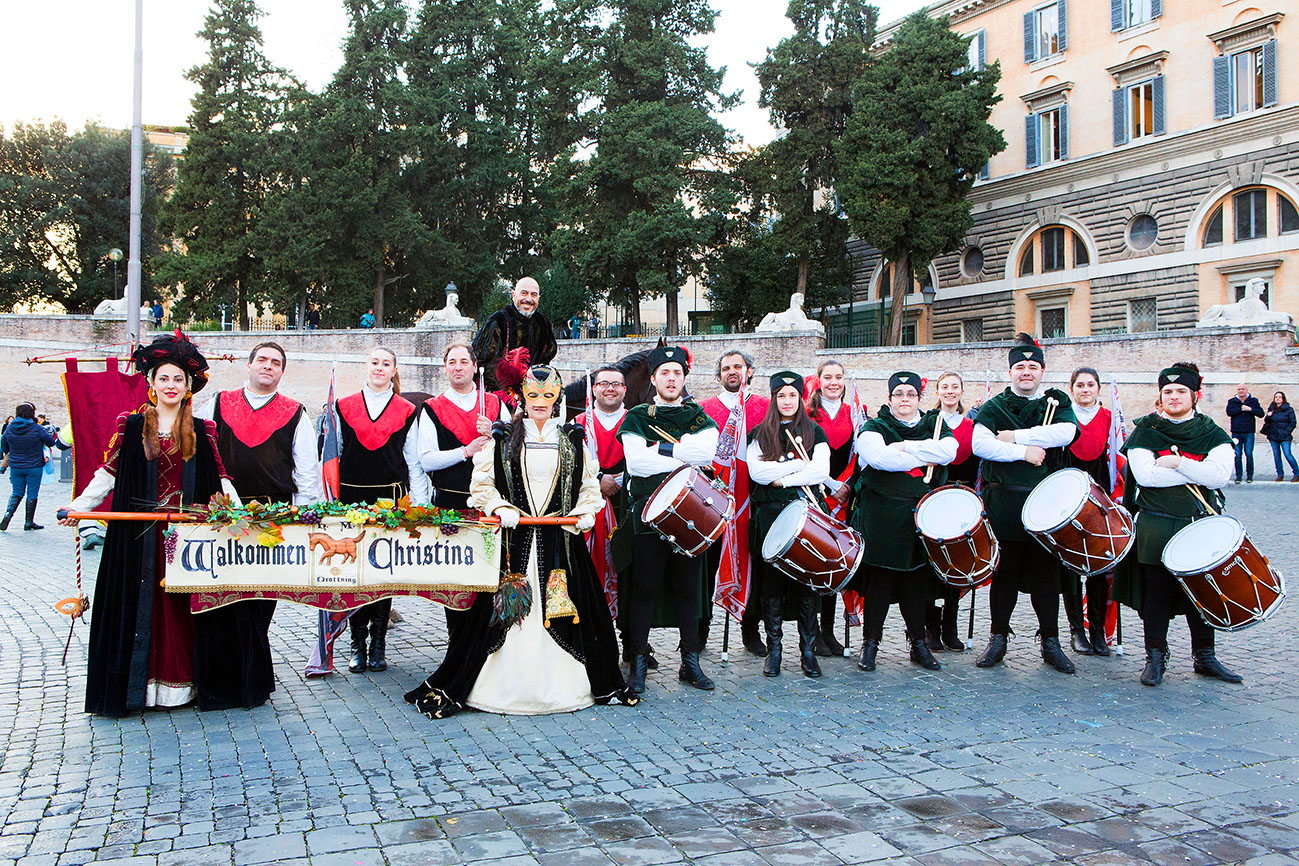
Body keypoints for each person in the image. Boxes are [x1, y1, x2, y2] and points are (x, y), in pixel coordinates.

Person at [403, 366, 637, 718]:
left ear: (557, 397)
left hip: (562, 542)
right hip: (513, 546)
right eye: (533, 395)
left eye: (547, 395)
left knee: (571, 611)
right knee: (499, 618)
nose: (540, 402)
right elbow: (482, 485)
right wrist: (498, 506)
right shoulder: (502, 437)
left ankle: (569, 684)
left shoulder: (572, 439)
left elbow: (589, 487)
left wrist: (587, 511)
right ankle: (494, 686)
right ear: (523, 397)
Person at [59, 333, 240, 716]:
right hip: (138, 538)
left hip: (188, 539)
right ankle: (142, 689)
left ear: (187, 385)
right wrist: (77, 506)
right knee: (142, 607)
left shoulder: (203, 429)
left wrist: (241, 516)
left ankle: (182, 687)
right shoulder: (132, 425)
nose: (171, 385)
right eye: (164, 378)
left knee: (180, 609)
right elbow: (107, 474)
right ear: (151, 383)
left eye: (178, 379)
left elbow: (221, 479)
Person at [194, 342, 324, 710]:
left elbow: (307, 473)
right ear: (249, 365)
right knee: (225, 599)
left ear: (282, 372)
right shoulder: (218, 404)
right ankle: (232, 681)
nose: (268, 367)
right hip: (224, 515)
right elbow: (200, 450)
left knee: (259, 602)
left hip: (274, 518)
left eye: (276, 363)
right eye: (262, 360)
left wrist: (301, 519)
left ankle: (251, 680)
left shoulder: (295, 413)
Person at [1113, 362, 1240, 686]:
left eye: (1180, 391)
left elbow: (1220, 475)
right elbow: (1147, 477)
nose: (1173, 396)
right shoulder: (1146, 432)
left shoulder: (1211, 432)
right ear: (1160, 395)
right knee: (1157, 593)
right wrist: (1195, 467)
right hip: (1156, 524)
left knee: (1202, 590)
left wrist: (1177, 461)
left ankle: (1205, 656)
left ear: (1195, 395)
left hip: (1198, 524)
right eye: (1167, 391)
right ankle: (1155, 657)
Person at [972, 334, 1080, 674]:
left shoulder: (1055, 403)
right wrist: (1024, 453)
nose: (1026, 372)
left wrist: (1017, 436)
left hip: (1044, 504)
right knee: (1003, 576)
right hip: (1004, 502)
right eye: (1020, 366)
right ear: (1010, 372)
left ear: (1043, 371)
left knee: (1046, 577)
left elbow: (1066, 433)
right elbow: (981, 445)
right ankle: (998, 640)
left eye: (1033, 366)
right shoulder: (994, 407)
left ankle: (1051, 642)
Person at [618, 345, 720, 694]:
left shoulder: (698, 416)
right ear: (654, 379)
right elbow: (636, 464)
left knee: (687, 590)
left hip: (690, 513)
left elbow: (706, 454)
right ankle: (639, 663)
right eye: (665, 373)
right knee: (643, 589)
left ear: (684, 378)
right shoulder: (636, 417)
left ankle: (690, 661)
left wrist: (661, 449)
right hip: (648, 513)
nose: (671, 378)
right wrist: (682, 452)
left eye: (677, 373)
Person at [851, 372, 957, 672]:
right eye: (899, 394)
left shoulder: (935, 424)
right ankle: (870, 644)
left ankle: (919, 645)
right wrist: (923, 452)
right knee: (880, 582)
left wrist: (904, 447)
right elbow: (880, 458)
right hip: (882, 514)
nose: (905, 399)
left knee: (915, 582)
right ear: (889, 398)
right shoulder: (875, 426)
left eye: (910, 394)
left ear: (919, 398)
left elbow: (949, 452)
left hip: (918, 514)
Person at [336, 348, 430, 674]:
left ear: (394, 370)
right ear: (367, 366)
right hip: (350, 500)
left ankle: (378, 644)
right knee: (355, 575)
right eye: (374, 362)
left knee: (382, 574)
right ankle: (356, 643)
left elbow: (413, 460)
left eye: (386, 363)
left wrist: (417, 504)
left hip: (389, 500)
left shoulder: (406, 410)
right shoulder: (343, 405)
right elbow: (332, 454)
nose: (379, 368)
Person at [419, 342, 512, 640]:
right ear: (445, 368)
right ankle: (457, 640)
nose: (458, 367)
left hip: (491, 503)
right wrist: (465, 451)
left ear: (474, 367)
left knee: (490, 575)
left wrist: (496, 433)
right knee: (456, 579)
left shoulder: (495, 406)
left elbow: (515, 453)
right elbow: (427, 460)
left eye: (463, 361)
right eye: (451, 362)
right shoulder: (432, 409)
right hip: (450, 503)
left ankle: (490, 641)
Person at [748, 372, 833, 677]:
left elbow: (820, 472)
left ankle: (808, 651)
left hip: (807, 514)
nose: (787, 401)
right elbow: (757, 472)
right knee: (771, 582)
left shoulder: (815, 433)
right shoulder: (759, 434)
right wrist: (798, 465)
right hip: (771, 515)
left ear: (800, 398)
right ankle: (775, 650)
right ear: (774, 399)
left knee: (808, 581)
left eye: (792, 395)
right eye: (781, 396)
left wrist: (781, 478)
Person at [699, 350, 770, 656]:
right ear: (719, 375)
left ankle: (750, 629)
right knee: (706, 565)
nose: (732, 372)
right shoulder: (703, 409)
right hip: (713, 502)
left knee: (752, 563)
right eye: (726, 367)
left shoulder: (765, 408)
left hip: (751, 499)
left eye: (738, 367)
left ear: (749, 371)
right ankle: (699, 632)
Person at [573, 366, 634, 658]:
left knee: (629, 571)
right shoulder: (577, 424)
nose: (610, 389)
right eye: (604, 383)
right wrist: (599, 481)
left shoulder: (636, 421)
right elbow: (570, 463)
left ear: (625, 390)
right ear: (594, 388)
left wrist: (617, 481)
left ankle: (634, 641)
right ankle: (593, 634)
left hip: (627, 500)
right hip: (590, 504)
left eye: (617, 384)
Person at [1059, 367, 1115, 657]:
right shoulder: (1063, 417)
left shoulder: (1109, 418)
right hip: (1069, 495)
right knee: (1071, 565)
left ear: (1098, 388)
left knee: (1098, 565)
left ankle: (1097, 631)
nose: (1085, 389)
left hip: (1100, 497)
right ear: (1072, 389)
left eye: (1090, 384)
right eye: (1079, 384)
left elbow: (1117, 458)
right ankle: (1076, 630)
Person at [923, 371, 977, 653]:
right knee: (933, 562)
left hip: (963, 497)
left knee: (957, 562)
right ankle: (931, 626)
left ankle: (950, 626)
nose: (950, 391)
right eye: (945, 387)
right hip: (934, 495)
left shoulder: (972, 424)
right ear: (937, 392)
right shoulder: (929, 422)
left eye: (955, 387)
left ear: (961, 391)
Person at [806, 360, 855, 658]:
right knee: (817, 560)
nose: (834, 382)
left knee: (838, 563)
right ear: (819, 380)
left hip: (844, 495)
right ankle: (811, 633)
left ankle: (829, 629)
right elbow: (807, 453)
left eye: (838, 377)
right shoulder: (808, 414)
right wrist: (829, 483)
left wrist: (844, 484)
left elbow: (855, 454)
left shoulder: (854, 414)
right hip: (818, 491)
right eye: (828, 377)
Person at [472, 277, 558, 393]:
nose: (528, 299)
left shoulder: (543, 323)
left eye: (533, 295)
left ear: (538, 298)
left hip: (532, 393)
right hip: (498, 394)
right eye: (524, 293)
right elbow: (483, 362)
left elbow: (545, 361)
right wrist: (507, 395)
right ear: (514, 295)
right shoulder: (499, 320)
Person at [1, 403, 61, 531]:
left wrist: (11, 453)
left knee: (17, 492)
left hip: (16, 466)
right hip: (34, 465)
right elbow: (51, 442)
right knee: (32, 493)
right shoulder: (37, 428)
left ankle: (7, 515)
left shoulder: (10, 428)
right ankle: (28, 522)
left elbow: (4, 444)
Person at [1226, 384, 1264, 483]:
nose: (1241, 391)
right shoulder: (1232, 401)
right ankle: (1238, 476)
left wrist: (1250, 409)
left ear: (1247, 390)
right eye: (1239, 389)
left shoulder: (1253, 401)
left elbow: (1261, 413)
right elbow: (1229, 412)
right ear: (1237, 391)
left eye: (1243, 389)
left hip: (1249, 432)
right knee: (1237, 454)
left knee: (1249, 454)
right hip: (1236, 432)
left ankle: (1249, 476)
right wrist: (1240, 409)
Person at [1261, 391, 1299, 482]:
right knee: (1276, 456)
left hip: (1285, 436)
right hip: (1273, 436)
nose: (1277, 399)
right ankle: (1280, 474)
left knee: (1288, 454)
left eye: (1280, 397)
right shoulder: (1271, 409)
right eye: (1276, 397)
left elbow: (1293, 422)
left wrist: (1286, 432)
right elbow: (1267, 421)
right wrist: (1268, 416)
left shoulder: (1289, 409)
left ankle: (1297, 473)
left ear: (1283, 399)